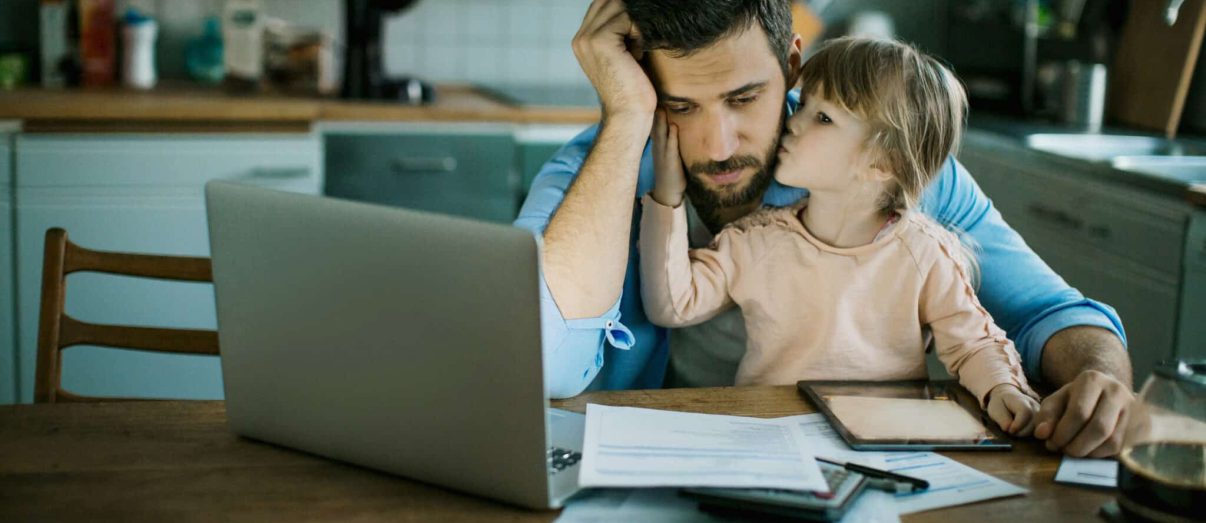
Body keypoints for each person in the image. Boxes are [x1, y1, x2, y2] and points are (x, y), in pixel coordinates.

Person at [515, 0, 1133, 458]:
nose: (717, 146)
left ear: (791, 66)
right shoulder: (595, 167)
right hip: (660, 460)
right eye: (679, 107)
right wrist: (626, 119)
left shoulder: (880, 168)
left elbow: (1046, 311)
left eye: (743, 99)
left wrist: (1098, 380)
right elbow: (540, 362)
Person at [639, 36, 1040, 434]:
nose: (793, 122)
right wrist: (667, 197)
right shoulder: (755, 241)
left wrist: (1004, 388)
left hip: (886, 443)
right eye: (806, 103)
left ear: (884, 162)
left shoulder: (925, 253)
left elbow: (973, 344)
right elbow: (674, 305)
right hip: (771, 435)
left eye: (823, 117)